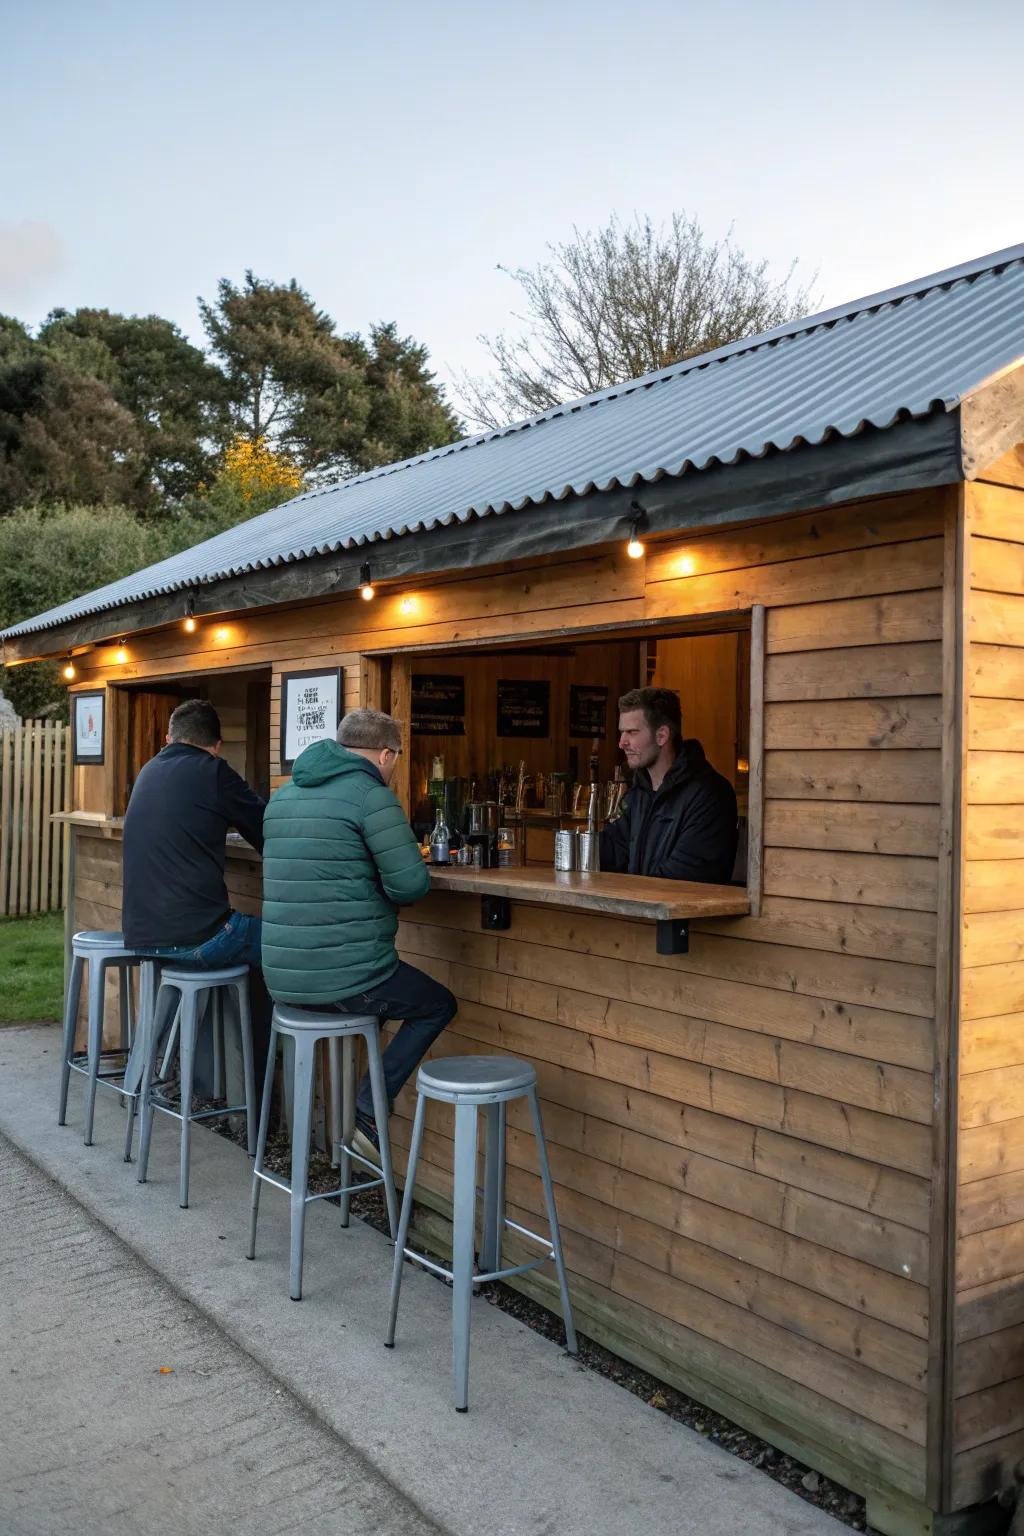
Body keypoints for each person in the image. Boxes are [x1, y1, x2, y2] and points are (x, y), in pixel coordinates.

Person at [260, 707, 456, 1159]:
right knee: (437, 1005)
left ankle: (328, 1134)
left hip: (283, 980)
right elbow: (411, 885)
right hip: (346, 978)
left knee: (376, 1008)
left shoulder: (284, 795)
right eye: (396, 760)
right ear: (386, 755)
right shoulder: (371, 796)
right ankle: (366, 1112)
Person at [599, 686, 738, 883]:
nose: (622, 743)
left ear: (662, 736)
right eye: (622, 732)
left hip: (682, 903)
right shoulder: (638, 793)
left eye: (632, 732)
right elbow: (612, 852)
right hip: (639, 901)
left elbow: (685, 877)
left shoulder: (711, 795)